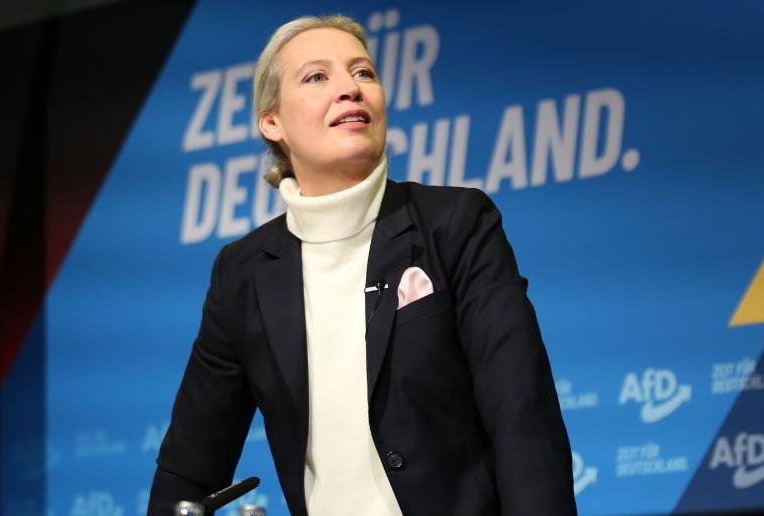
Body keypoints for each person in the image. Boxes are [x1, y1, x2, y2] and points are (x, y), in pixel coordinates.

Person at [148, 14, 575, 516]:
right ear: (272, 122)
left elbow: (522, 415)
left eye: (364, 73)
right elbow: (188, 470)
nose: (350, 89)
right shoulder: (242, 273)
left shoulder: (455, 223)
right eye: (317, 77)